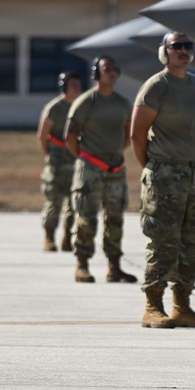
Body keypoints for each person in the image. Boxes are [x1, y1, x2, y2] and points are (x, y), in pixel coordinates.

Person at [131, 32, 195, 329]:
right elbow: (137, 134)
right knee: (163, 241)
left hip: (194, 173)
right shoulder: (156, 87)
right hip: (163, 174)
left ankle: (182, 305)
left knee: (192, 242)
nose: (182, 51)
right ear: (164, 52)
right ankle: (153, 306)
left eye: (187, 46)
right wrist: (155, 167)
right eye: (175, 46)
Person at [64, 56, 137, 284]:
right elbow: (70, 135)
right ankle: (82, 265)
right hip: (90, 169)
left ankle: (114, 267)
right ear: (96, 73)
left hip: (115, 168)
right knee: (86, 219)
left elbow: (129, 133)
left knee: (115, 219)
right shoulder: (86, 102)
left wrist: (115, 152)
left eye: (115, 69)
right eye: (107, 69)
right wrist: (86, 157)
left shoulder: (123, 103)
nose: (112, 73)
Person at [36, 70, 83, 252]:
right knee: (53, 201)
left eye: (78, 84)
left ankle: (67, 237)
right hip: (57, 162)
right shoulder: (55, 108)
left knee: (74, 203)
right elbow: (42, 136)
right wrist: (49, 156)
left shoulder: (83, 106)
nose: (76, 88)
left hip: (76, 160)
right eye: (72, 84)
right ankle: (49, 238)